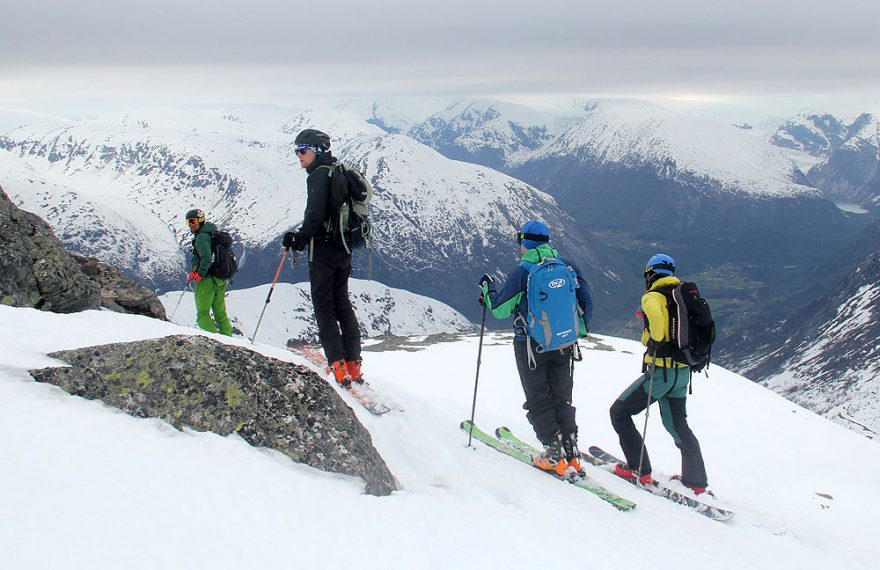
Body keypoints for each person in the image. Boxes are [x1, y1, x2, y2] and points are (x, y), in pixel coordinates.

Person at [479, 220, 593, 476]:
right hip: (564, 343)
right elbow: (586, 299)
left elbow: (500, 309)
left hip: (531, 346)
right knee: (562, 397)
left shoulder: (523, 272)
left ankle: (553, 453)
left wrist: (487, 289)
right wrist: (579, 331)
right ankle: (571, 449)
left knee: (538, 398)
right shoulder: (567, 265)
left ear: (524, 242)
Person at [609, 253, 709, 494]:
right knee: (678, 425)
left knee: (619, 412)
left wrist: (654, 338)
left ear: (650, 275)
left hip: (661, 373)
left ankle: (639, 469)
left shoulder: (652, 296)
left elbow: (655, 319)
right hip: (682, 374)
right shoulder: (681, 294)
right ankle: (696, 482)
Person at [282, 128, 363, 389]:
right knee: (342, 303)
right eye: (296, 151)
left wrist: (300, 239)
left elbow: (315, 214)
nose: (299, 156)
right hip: (343, 248)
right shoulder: (337, 170)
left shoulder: (318, 175)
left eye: (303, 150)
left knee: (324, 305)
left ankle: (337, 365)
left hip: (324, 250)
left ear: (316, 151)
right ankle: (353, 364)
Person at [186, 208, 233, 336]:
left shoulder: (201, 237)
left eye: (193, 221)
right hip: (220, 278)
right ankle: (229, 339)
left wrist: (199, 273)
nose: (191, 225)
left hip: (207, 280)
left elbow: (206, 257)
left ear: (200, 221)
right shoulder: (212, 233)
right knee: (220, 314)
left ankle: (216, 341)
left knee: (202, 315)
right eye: (188, 222)